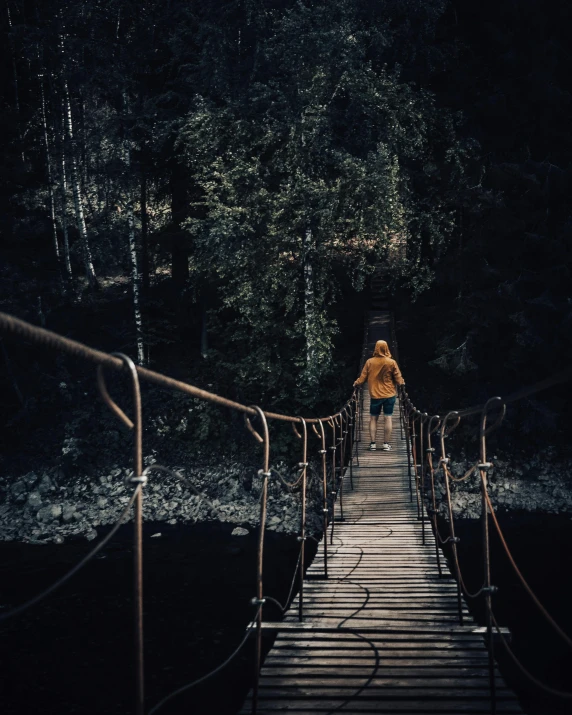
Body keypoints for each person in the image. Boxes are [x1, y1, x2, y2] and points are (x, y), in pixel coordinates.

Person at [353, 340, 404, 451]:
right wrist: (402, 383)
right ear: (386, 348)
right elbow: (399, 380)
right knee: (388, 417)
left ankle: (372, 444)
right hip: (389, 394)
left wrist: (356, 383)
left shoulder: (369, 362)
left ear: (376, 348)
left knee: (373, 419)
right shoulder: (391, 362)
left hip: (375, 395)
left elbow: (362, 379)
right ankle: (386, 444)